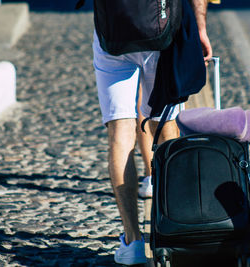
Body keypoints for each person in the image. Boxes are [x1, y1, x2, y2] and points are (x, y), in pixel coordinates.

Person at [92, 0, 212, 265]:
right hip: (162, 32)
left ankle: (133, 242)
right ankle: (172, 230)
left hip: (113, 34)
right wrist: (200, 27)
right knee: (166, 126)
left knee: (120, 133)